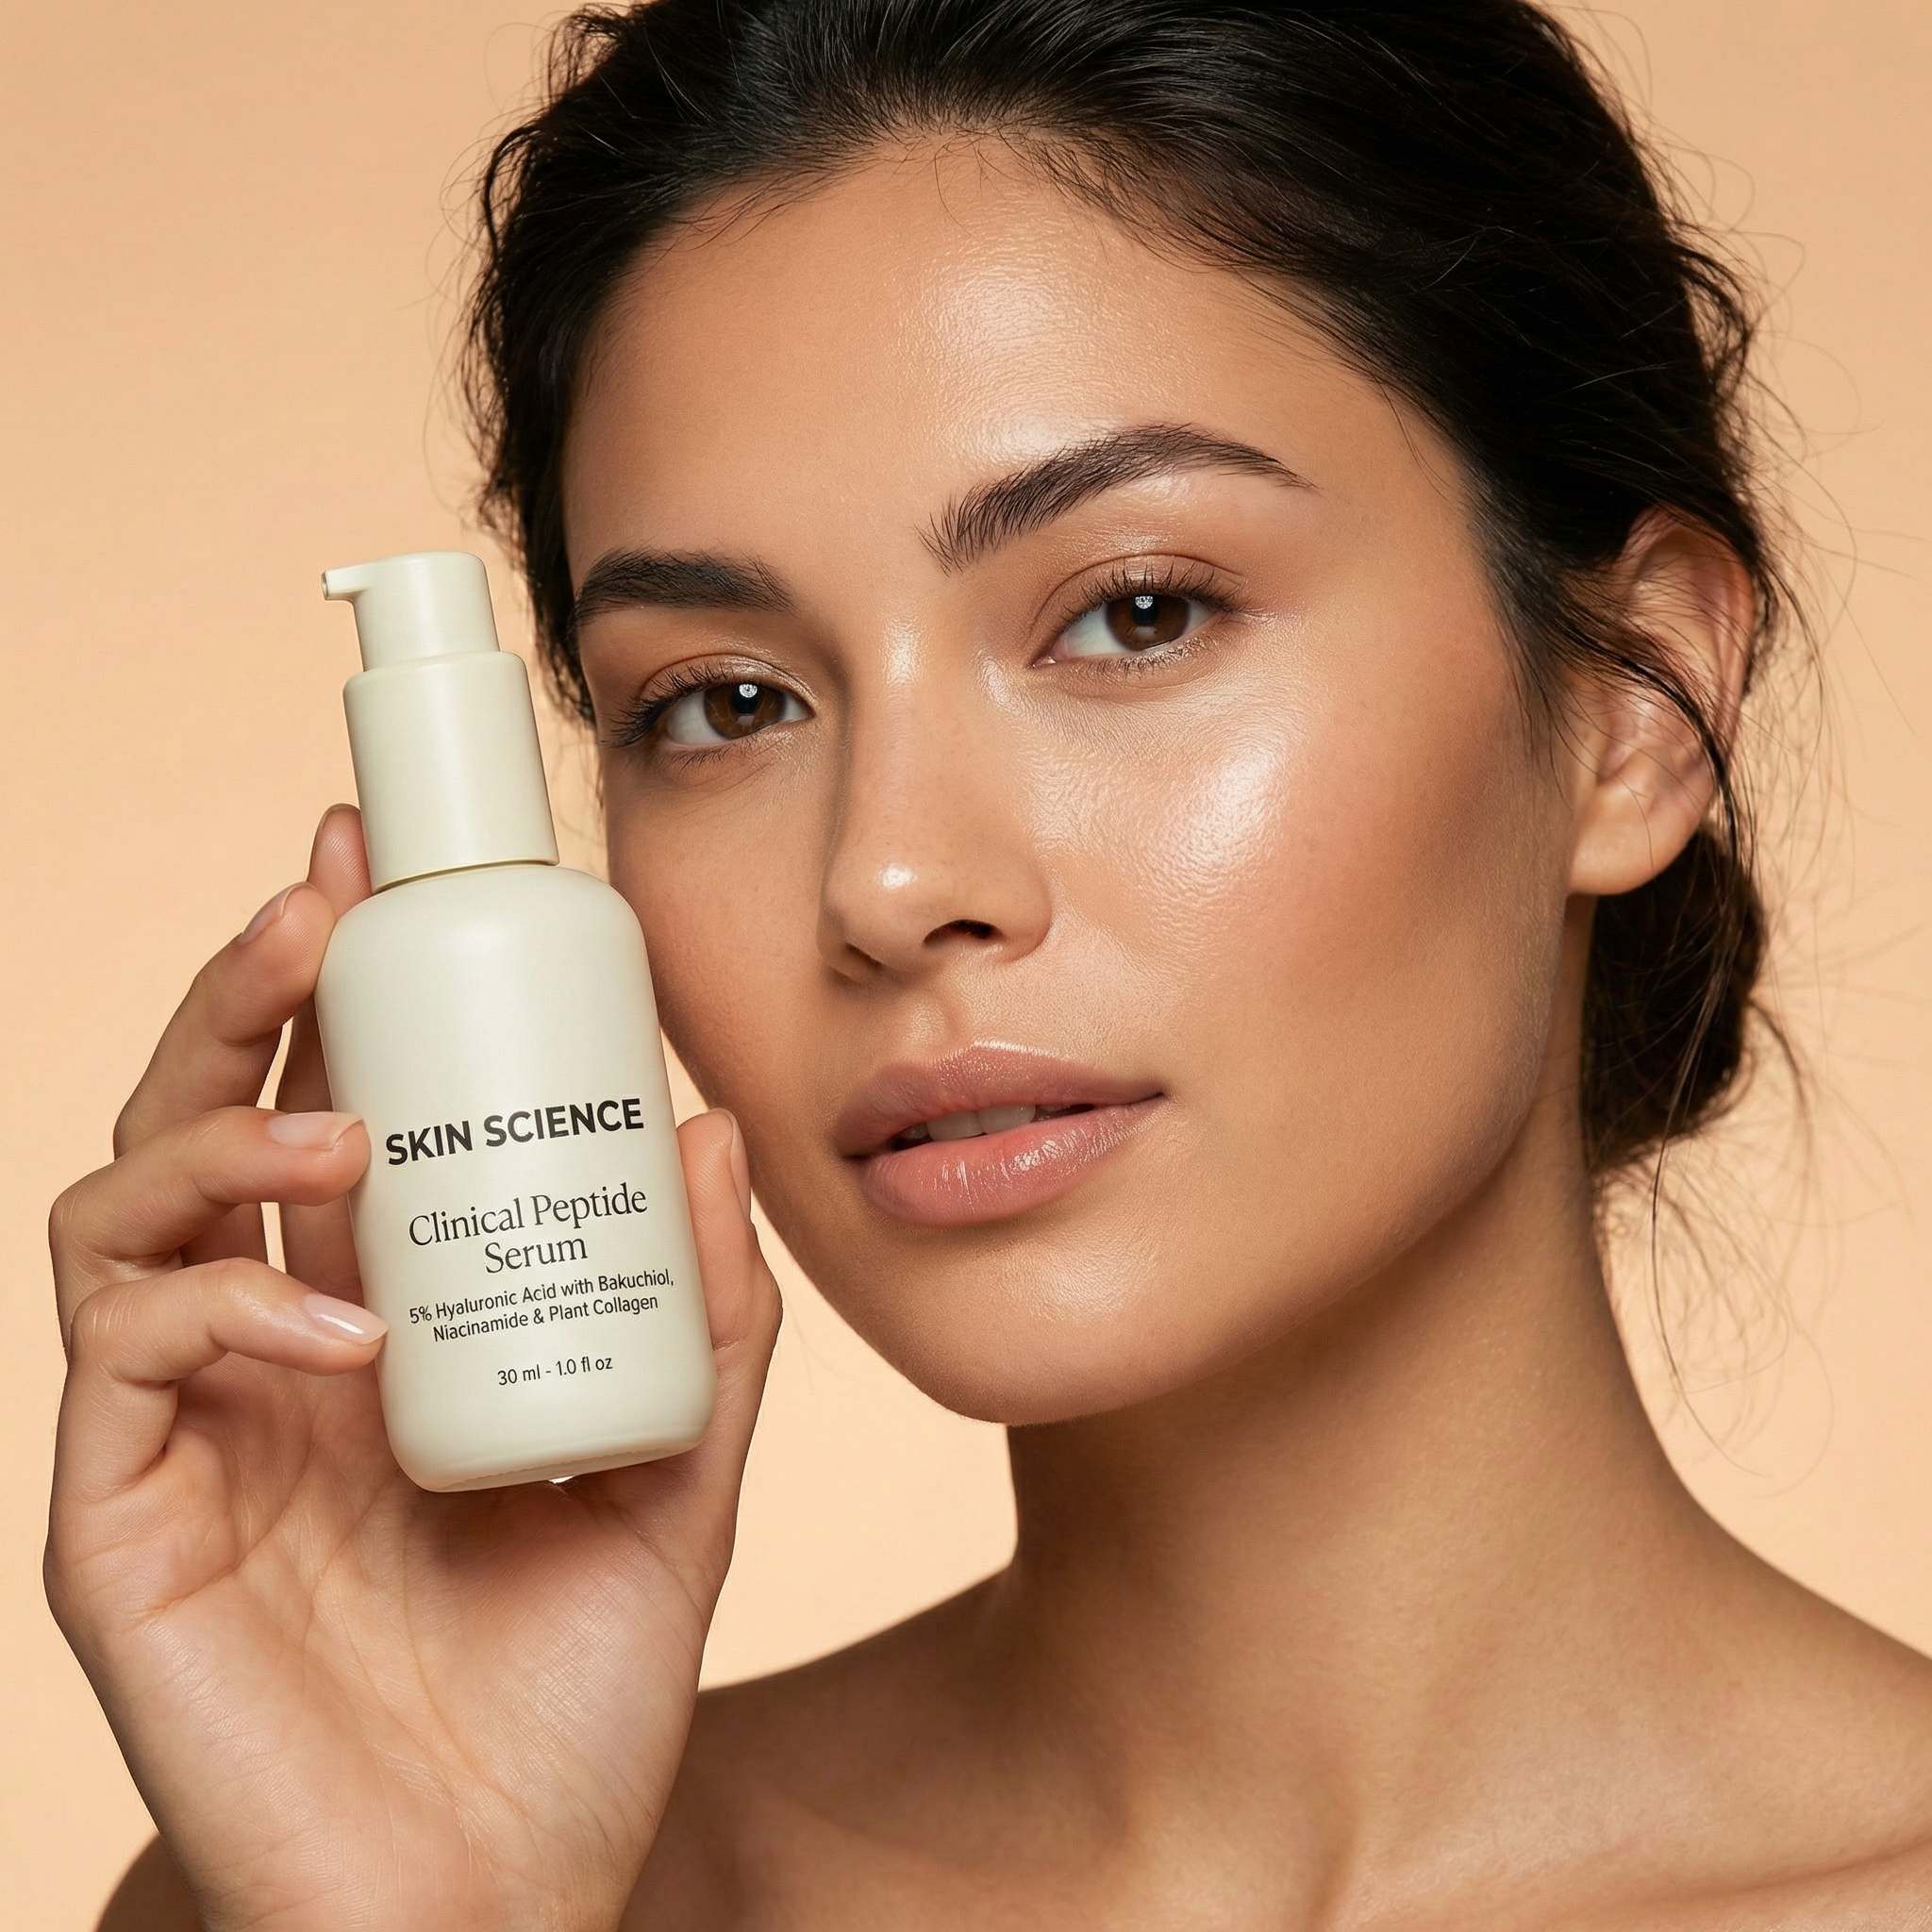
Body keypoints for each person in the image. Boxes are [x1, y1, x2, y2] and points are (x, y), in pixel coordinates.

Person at [46, 2, 1932, 1925]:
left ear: (1639, 706)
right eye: (724, 702)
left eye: (1134, 612)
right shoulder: (398, 1884)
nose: (886, 875)